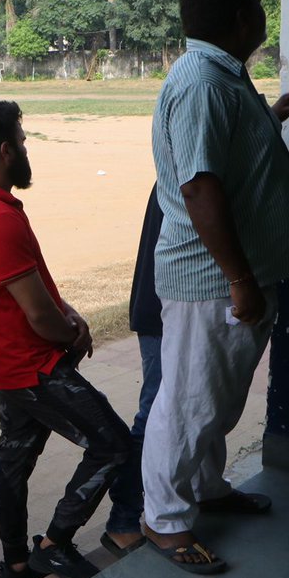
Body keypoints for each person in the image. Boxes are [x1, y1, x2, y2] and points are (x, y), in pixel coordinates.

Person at [144, 0, 289, 575]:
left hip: (231, 278)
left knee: (215, 399)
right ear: (244, 18)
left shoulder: (222, 77)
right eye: (258, 2)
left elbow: (221, 154)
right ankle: (164, 519)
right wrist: (241, 280)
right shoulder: (204, 83)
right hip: (210, 281)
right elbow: (199, 188)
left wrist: (267, 119)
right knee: (190, 403)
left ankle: (207, 487)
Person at [0, 101, 144, 578]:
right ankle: (53, 544)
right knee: (113, 445)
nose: (25, 147)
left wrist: (68, 312)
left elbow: (31, 291)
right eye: (21, 140)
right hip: (33, 367)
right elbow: (38, 315)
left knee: (13, 462)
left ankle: (16, 565)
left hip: (8, 366)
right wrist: (71, 333)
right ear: (4, 150)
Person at [129, 186, 164, 438]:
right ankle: (133, 477)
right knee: (153, 410)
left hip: (158, 310)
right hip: (159, 313)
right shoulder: (186, 181)